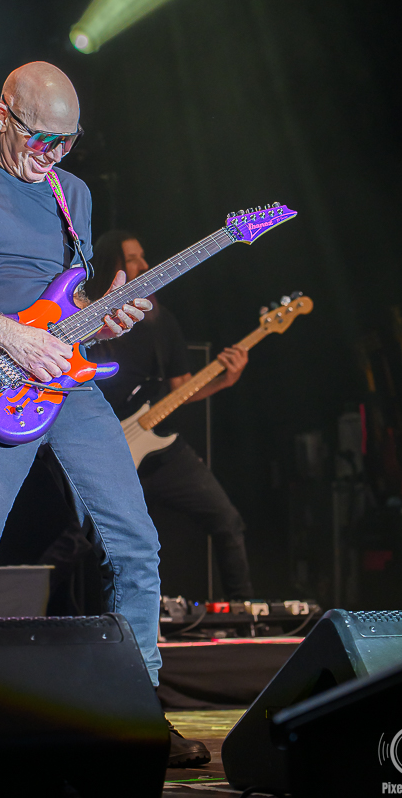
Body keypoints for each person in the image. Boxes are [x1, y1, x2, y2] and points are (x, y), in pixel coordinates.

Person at [0, 61, 210, 767]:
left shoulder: (73, 194)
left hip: (66, 383)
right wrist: (9, 336)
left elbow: (68, 302)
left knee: (135, 542)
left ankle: (140, 716)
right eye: (40, 138)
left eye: (67, 142)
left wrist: (107, 317)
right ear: (1, 115)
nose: (53, 154)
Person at [89, 230, 254, 599]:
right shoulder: (87, 320)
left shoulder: (161, 321)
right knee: (82, 542)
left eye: (142, 256)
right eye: (132, 258)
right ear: (111, 267)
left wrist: (225, 380)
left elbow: (182, 388)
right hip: (107, 450)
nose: (144, 265)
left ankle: (245, 617)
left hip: (160, 450)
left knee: (227, 520)